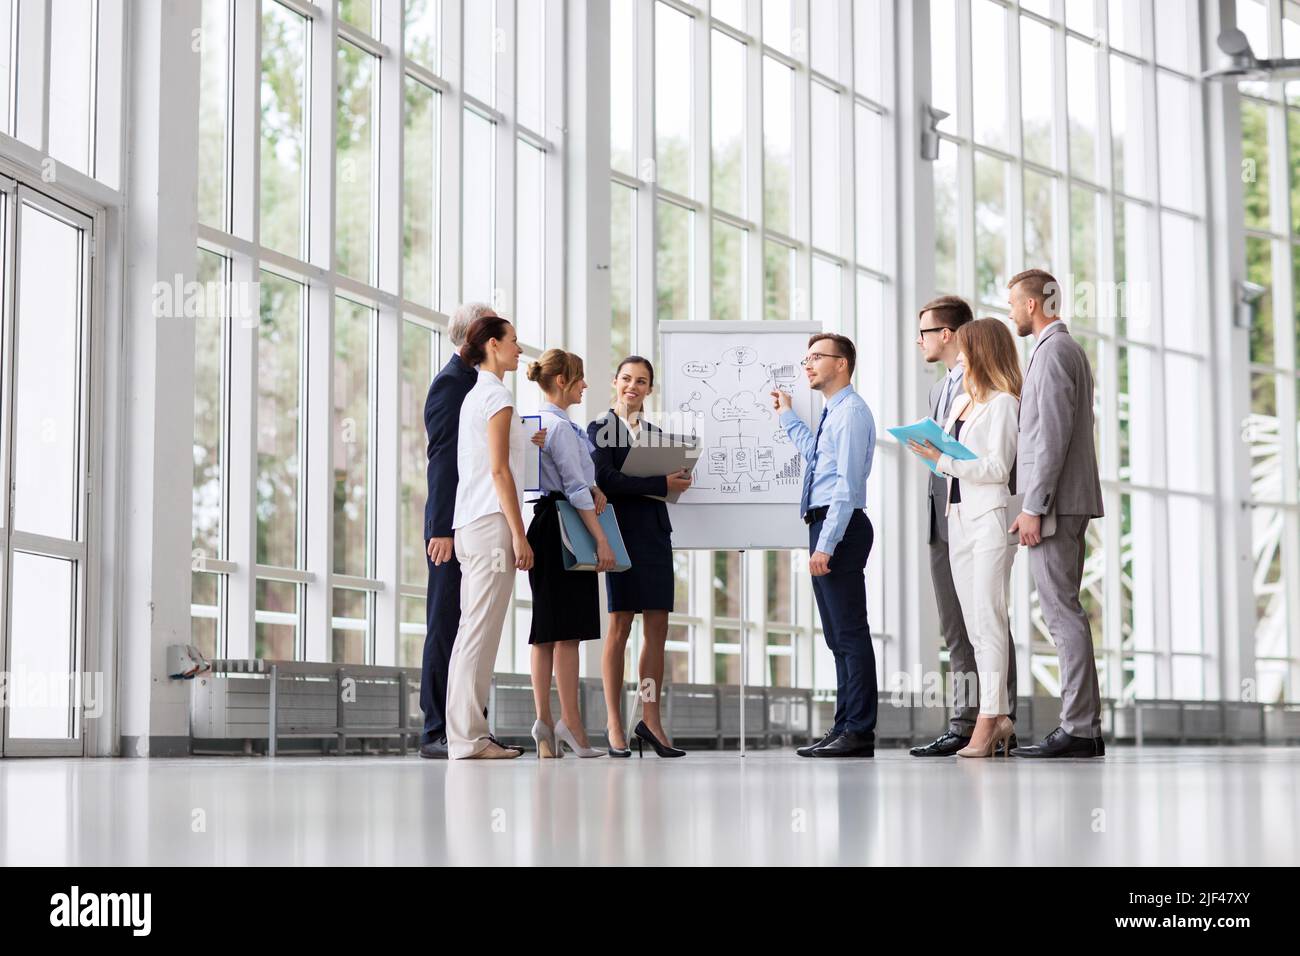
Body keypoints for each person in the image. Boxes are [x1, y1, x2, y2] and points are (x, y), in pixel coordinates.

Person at [909, 296, 1020, 757]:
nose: (961, 359)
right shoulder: (965, 405)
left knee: (989, 623)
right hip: (958, 519)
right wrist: (939, 457)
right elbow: (954, 462)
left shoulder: (1003, 404)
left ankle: (989, 720)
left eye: (968, 350)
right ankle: (998, 717)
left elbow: (997, 467)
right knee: (973, 627)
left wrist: (945, 460)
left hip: (989, 518)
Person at [420, 303, 530, 759]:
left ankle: (466, 731)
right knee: (462, 629)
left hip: (469, 523)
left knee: (471, 630)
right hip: (473, 524)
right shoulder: (466, 390)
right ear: (486, 341)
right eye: (512, 338)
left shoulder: (476, 393)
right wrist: (442, 527)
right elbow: (448, 462)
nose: (520, 348)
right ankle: (451, 733)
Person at [1004, 269, 1106, 758]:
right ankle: (1084, 726)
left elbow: (1051, 439)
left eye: (1012, 304)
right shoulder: (1062, 351)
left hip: (1056, 504)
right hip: (1065, 501)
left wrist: (1032, 507)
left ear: (1030, 306)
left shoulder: (1053, 352)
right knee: (1064, 610)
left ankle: (1079, 729)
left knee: (1062, 612)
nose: (1009, 313)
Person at [770, 333, 877, 758]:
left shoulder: (851, 413)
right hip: (826, 528)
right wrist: (788, 417)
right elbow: (816, 455)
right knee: (837, 638)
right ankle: (844, 726)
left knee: (850, 634)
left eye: (817, 357)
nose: (808, 365)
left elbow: (847, 489)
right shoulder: (834, 413)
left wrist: (827, 545)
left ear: (843, 364)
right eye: (806, 358)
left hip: (841, 529)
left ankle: (860, 730)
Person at [588, 357, 693, 758]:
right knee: (620, 627)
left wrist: (678, 480)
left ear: (650, 389)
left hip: (654, 535)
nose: (633, 386)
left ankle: (650, 719)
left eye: (642, 381)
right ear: (615, 382)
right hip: (620, 535)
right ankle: (614, 721)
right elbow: (606, 480)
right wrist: (659, 481)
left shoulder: (655, 435)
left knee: (658, 629)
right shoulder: (600, 429)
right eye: (627, 379)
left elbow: (658, 484)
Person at [524, 349, 615, 759]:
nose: (585, 385)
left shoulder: (542, 425)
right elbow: (576, 490)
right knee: (567, 635)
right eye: (579, 378)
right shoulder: (559, 428)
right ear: (561, 381)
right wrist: (601, 540)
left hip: (545, 524)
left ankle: (545, 723)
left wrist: (593, 487)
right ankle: (571, 726)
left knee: (546, 631)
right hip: (565, 527)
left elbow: (575, 483)